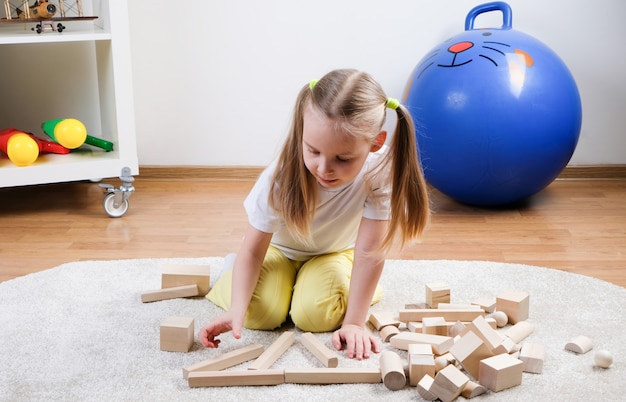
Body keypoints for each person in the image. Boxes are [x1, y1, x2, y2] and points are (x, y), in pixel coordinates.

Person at [199, 68, 430, 360]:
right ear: (302, 134)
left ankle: (325, 286)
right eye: (313, 151)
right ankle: (230, 275)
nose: (323, 168)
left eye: (342, 158)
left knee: (314, 316)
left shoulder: (379, 172)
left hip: (334, 253)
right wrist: (236, 309)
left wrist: (355, 323)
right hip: (277, 251)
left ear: (376, 143)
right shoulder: (280, 177)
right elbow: (253, 250)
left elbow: (370, 252)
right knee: (260, 314)